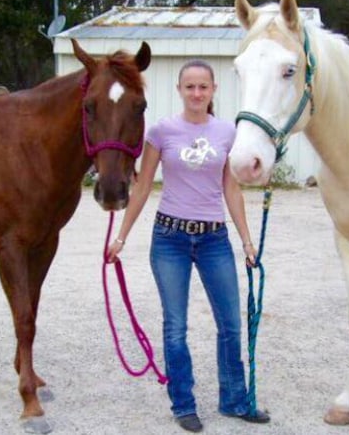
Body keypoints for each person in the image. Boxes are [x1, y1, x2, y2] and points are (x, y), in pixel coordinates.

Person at [107, 59, 270, 432]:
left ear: (214, 91)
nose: (196, 93)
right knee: (175, 327)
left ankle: (234, 400)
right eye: (190, 87)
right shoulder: (162, 131)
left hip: (214, 238)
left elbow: (231, 188)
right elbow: (144, 186)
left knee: (230, 324)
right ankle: (184, 403)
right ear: (179, 90)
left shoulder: (227, 132)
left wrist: (246, 241)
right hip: (170, 240)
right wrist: (121, 236)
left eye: (203, 87)